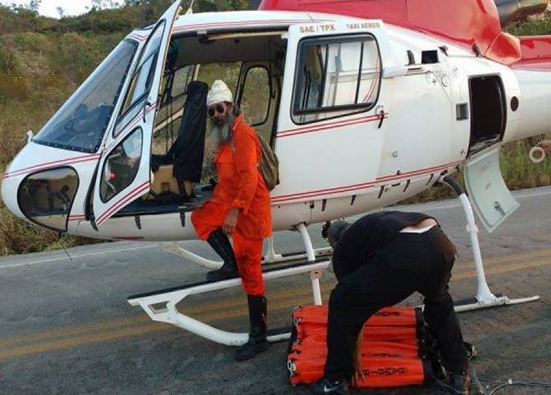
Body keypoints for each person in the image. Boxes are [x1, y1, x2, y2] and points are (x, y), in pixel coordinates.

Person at [310, 211, 470, 395]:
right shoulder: (371, 225)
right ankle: (459, 373)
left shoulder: (343, 250)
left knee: (341, 302)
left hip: (404, 251)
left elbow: (354, 313)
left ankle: (335, 382)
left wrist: (353, 358)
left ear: (334, 243)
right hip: (439, 243)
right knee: (439, 302)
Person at [191, 80, 272, 361]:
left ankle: (259, 337)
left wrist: (235, 212)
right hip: (230, 201)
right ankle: (230, 265)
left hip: (248, 211)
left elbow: (249, 178)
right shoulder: (226, 138)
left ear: (231, 107)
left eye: (220, 109)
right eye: (212, 111)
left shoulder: (244, 135)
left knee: (252, 273)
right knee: (200, 219)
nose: (216, 115)